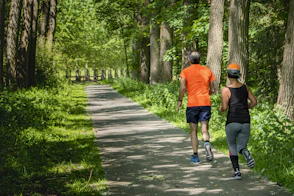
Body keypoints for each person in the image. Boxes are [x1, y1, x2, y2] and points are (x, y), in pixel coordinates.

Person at [219, 63, 257, 180]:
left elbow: (224, 108)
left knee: (231, 146)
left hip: (232, 121)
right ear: (239, 75)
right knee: (241, 146)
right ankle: (244, 151)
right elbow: (254, 102)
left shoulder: (226, 90)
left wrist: (220, 108)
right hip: (245, 121)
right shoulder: (245, 87)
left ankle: (237, 172)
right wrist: (245, 107)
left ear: (228, 75)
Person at [177, 51, 215, 164]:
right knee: (204, 128)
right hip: (205, 103)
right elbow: (212, 89)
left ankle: (195, 156)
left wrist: (180, 100)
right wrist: (207, 93)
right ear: (200, 59)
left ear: (189, 60)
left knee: (193, 130)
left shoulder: (185, 72)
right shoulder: (207, 70)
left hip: (192, 104)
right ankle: (207, 143)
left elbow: (183, 88)